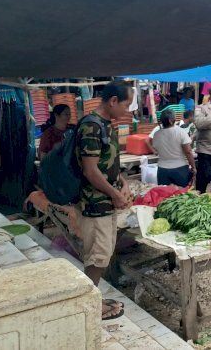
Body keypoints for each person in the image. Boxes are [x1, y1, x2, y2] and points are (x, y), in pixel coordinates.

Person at [76, 80, 133, 321]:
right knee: (97, 256)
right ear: (112, 101)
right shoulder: (91, 126)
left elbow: (106, 165)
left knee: (103, 253)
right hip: (94, 204)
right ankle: (88, 304)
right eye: (126, 104)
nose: (127, 110)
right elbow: (90, 170)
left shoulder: (105, 125)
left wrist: (123, 182)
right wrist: (115, 194)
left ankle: (91, 297)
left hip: (106, 202)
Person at [152, 109, 196, 187]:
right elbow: (188, 151)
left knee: (164, 196)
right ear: (174, 120)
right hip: (180, 169)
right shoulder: (180, 132)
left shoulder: (156, 134)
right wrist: (193, 167)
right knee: (181, 195)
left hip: (162, 170)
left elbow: (156, 148)